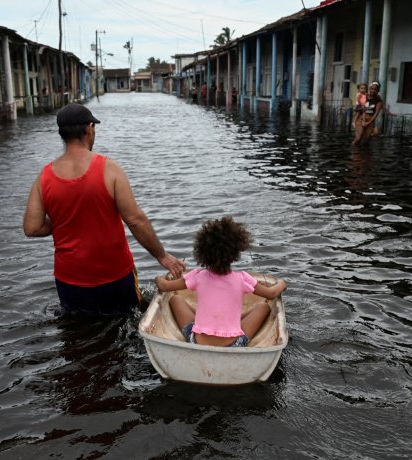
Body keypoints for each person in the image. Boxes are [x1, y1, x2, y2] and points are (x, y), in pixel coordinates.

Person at [23, 103, 185, 314]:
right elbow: (135, 220)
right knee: (124, 326)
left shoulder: (44, 177)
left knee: (77, 337)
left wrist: (66, 218)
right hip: (114, 275)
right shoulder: (109, 169)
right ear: (89, 129)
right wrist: (162, 256)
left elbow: (32, 228)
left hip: (70, 279)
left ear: (62, 134)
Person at [154, 216, 287, 347]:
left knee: (176, 299)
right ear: (235, 252)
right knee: (263, 307)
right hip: (234, 345)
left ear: (202, 251)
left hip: (197, 342)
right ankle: (234, 319)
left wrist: (158, 279)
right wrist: (282, 284)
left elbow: (164, 286)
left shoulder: (198, 276)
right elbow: (271, 294)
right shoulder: (242, 279)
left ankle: (210, 318)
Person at [352, 81, 384, 146]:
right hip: (361, 119)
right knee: (358, 138)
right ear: (369, 89)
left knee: (365, 142)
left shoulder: (378, 100)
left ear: (378, 91)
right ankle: (352, 152)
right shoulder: (364, 96)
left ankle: (362, 155)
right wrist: (360, 109)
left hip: (370, 121)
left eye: (375, 89)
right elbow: (355, 108)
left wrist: (368, 123)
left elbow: (376, 114)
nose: (373, 90)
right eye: (371, 88)